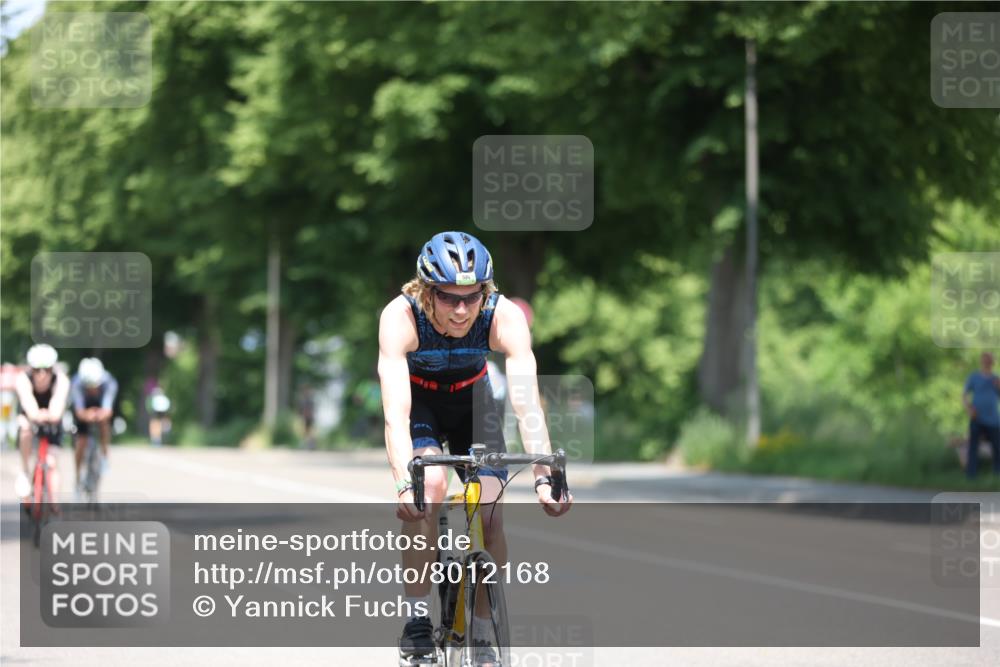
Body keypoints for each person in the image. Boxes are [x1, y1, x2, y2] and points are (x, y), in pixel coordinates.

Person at [378, 231, 572, 664]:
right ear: (426, 291)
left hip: (474, 401)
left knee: (491, 510)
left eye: (473, 296)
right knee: (428, 487)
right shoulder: (400, 317)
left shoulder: (504, 316)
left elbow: (526, 404)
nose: (462, 310)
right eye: (448, 298)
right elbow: (395, 412)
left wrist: (545, 476)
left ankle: (483, 631)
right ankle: (415, 620)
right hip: (420, 401)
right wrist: (401, 483)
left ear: (486, 290)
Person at [14, 344, 70, 504]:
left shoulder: (61, 380)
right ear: (31, 369)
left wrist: (51, 414)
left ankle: (54, 503)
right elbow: (29, 405)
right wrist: (36, 415)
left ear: (53, 369)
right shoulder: (23, 379)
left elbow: (58, 406)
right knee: (25, 429)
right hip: (29, 412)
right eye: (37, 370)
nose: (42, 374)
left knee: (52, 462)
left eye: (47, 370)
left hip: (52, 414)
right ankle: (25, 470)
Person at [71, 357, 118, 492]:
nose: (92, 389)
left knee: (104, 424)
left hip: (100, 406)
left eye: (95, 386)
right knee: (81, 440)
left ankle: (104, 455)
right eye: (88, 386)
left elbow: (107, 409)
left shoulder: (109, 382)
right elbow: (79, 411)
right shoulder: (76, 383)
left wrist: (99, 415)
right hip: (83, 407)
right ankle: (78, 475)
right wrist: (86, 415)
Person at [962, 351, 1000, 479]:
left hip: (994, 420)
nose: (987, 362)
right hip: (977, 418)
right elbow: (964, 395)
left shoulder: (996, 379)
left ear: (993, 362)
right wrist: (969, 409)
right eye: (985, 359)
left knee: (997, 446)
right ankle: (971, 476)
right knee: (973, 446)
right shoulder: (974, 377)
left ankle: (997, 474)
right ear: (981, 361)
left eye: (989, 359)